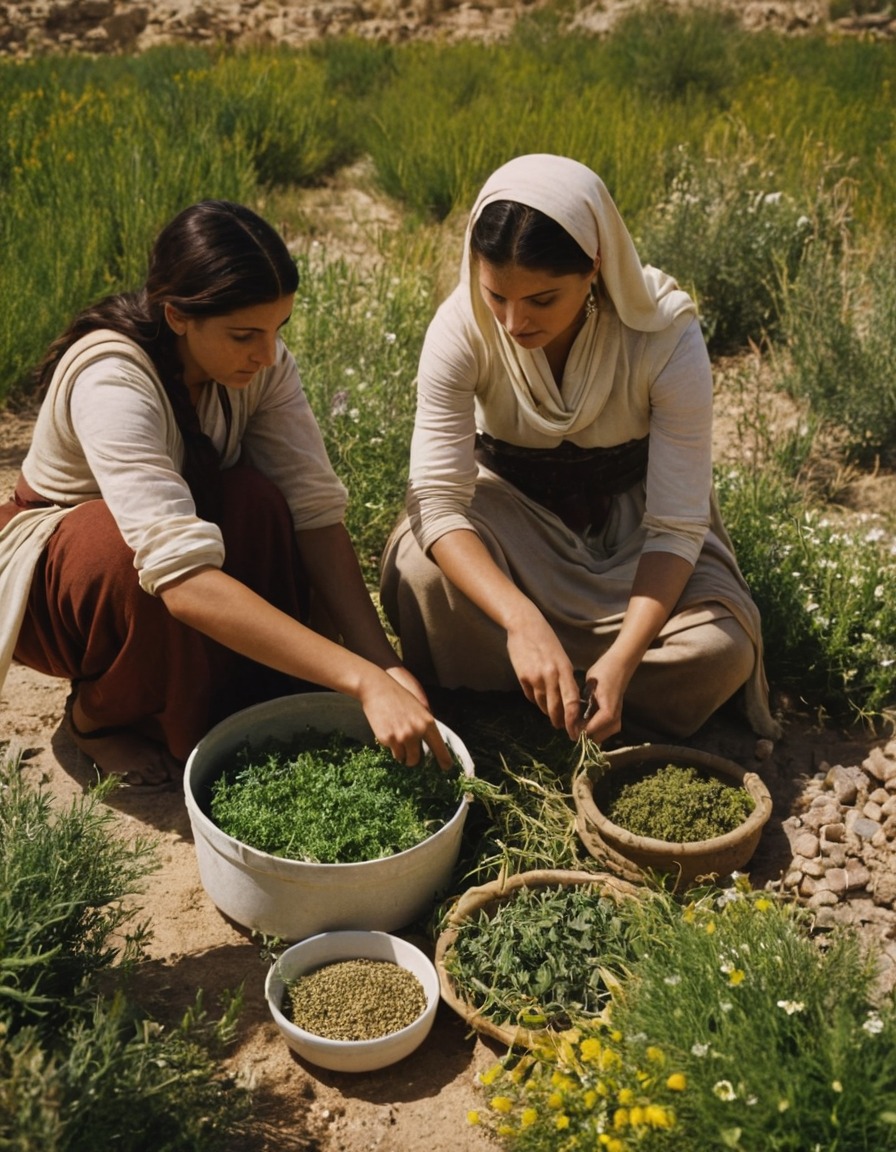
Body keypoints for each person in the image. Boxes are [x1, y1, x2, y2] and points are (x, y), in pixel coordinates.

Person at [0, 199, 450, 788]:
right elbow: (181, 579)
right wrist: (359, 679)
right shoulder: (112, 377)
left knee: (258, 500)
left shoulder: (260, 365)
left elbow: (313, 511)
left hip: (173, 555)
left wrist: (383, 662)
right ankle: (98, 715)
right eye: (245, 335)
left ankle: (241, 693)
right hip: (65, 585)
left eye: (276, 330)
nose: (266, 355)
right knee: (120, 551)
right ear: (179, 316)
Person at [380, 153, 781, 748]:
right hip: (511, 515)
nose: (514, 322)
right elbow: (438, 502)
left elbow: (674, 527)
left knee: (719, 649)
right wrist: (519, 620)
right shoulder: (461, 328)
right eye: (497, 295)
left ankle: (577, 689)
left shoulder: (664, 334)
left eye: (542, 300)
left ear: (595, 265)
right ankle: (554, 683)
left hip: (633, 533)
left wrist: (624, 656)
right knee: (417, 571)